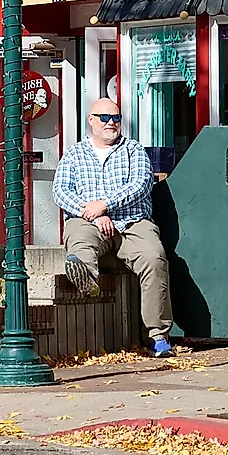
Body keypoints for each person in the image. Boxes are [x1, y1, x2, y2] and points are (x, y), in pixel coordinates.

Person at [55, 97, 176, 359]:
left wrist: (105, 205)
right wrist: (93, 214)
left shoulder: (133, 150)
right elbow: (60, 191)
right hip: (89, 221)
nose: (111, 123)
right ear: (91, 121)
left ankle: (157, 335)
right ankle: (86, 274)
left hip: (132, 222)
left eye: (116, 118)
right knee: (79, 238)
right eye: (105, 118)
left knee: (154, 259)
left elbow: (141, 185)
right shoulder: (74, 153)